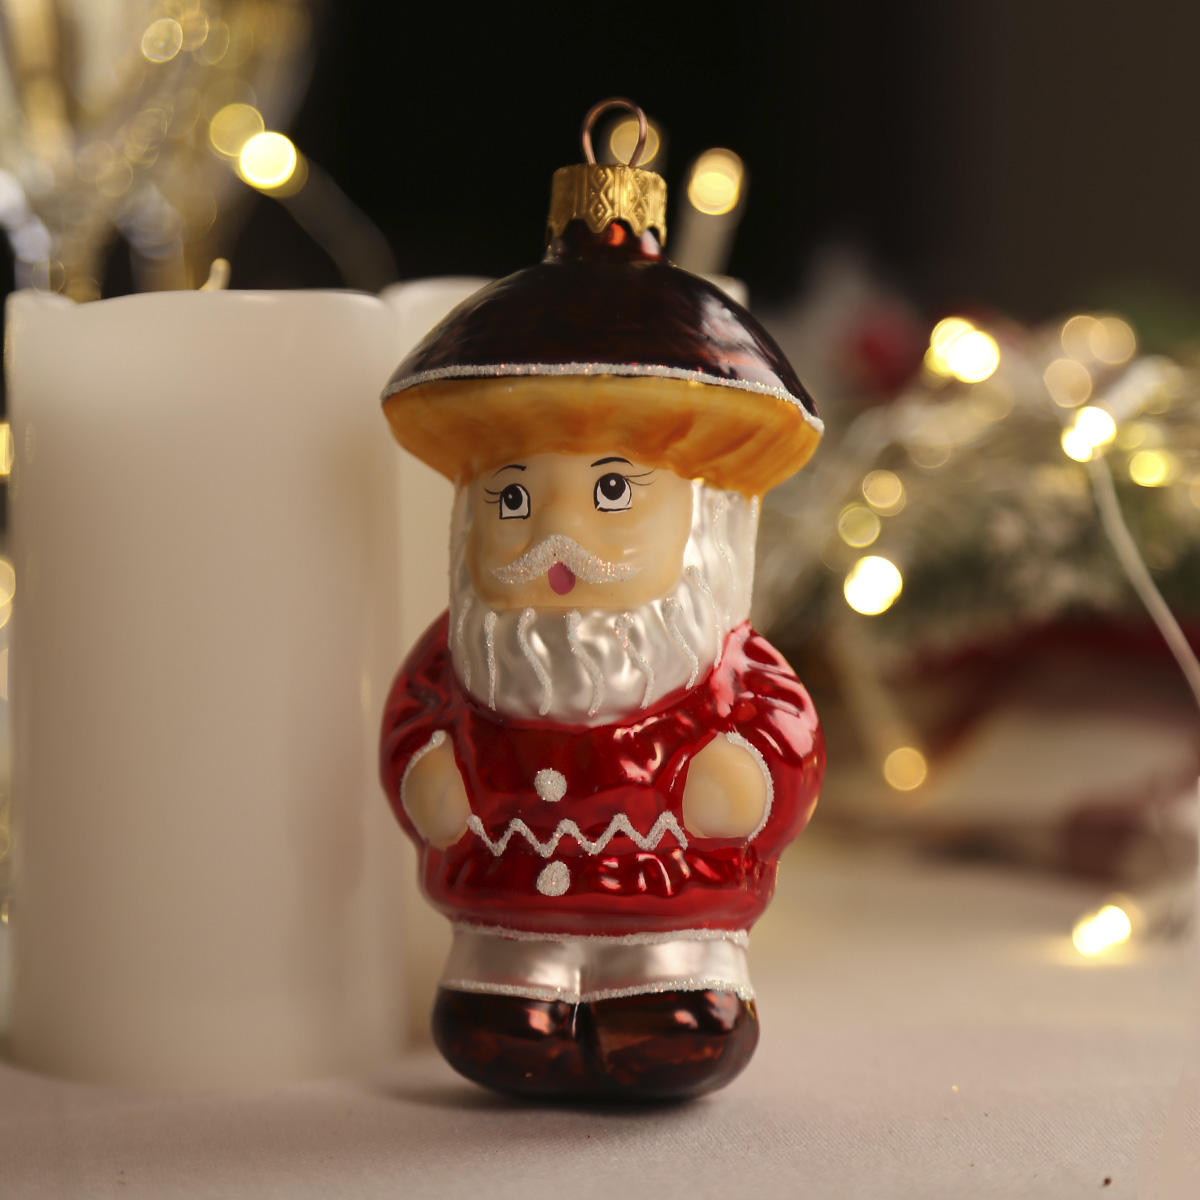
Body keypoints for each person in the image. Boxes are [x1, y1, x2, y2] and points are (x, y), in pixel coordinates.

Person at [379, 104, 825, 1098]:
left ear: (702, 516)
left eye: (613, 491)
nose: (555, 537)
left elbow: (785, 733)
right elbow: (413, 723)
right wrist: (425, 775)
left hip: (671, 911)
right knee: (502, 1024)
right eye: (512, 500)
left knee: (669, 1024)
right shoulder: (461, 658)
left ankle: (659, 996)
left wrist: (750, 778)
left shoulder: (726, 667)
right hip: (503, 910)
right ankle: (514, 1001)